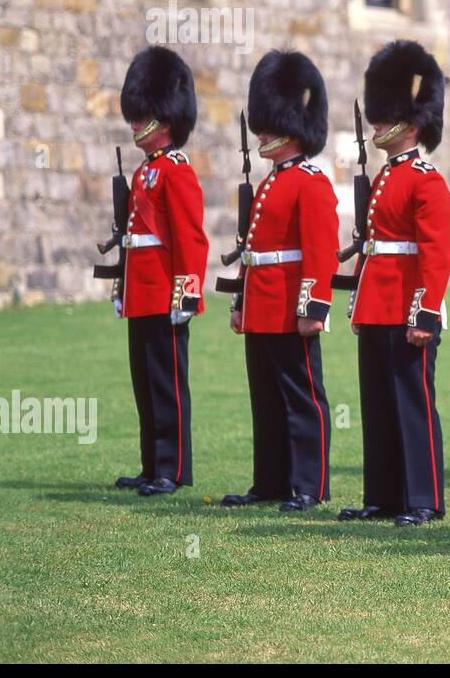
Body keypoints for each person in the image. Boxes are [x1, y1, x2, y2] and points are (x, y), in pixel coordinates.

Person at [222, 50, 339, 512]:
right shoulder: (271, 181)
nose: (261, 133)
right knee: (266, 401)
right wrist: (239, 302)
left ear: (293, 126)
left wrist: (313, 308)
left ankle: (310, 485)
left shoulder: (310, 182)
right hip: (262, 305)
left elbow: (320, 252)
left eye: (270, 125)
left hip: (291, 306)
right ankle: (270, 482)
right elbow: (254, 249)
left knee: (302, 398)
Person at [340, 41, 450, 526]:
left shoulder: (425, 180)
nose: (376, 126)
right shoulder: (385, 177)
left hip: (407, 306)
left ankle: (423, 499)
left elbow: (435, 255)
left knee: (413, 403)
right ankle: (383, 496)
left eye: (385, 119)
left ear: (410, 124)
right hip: (377, 303)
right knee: (380, 405)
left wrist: (424, 312)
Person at [109, 47, 209, 496]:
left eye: (142, 114)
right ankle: (152, 465)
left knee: (167, 386)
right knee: (145, 386)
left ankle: (173, 468)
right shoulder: (145, 173)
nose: (134, 123)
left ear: (164, 118)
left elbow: (190, 238)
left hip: (166, 294)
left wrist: (186, 293)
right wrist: (121, 285)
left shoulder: (176, 171)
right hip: (141, 294)